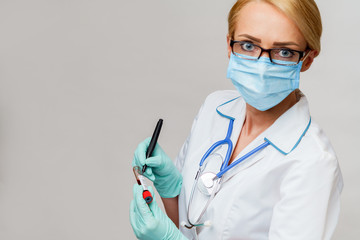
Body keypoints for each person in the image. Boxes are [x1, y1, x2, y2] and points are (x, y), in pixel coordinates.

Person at [129, 0, 343, 239]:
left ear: (307, 59)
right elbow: (188, 224)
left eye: (284, 52)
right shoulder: (214, 107)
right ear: (229, 45)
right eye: (249, 45)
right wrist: (170, 190)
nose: (262, 66)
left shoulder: (313, 162)